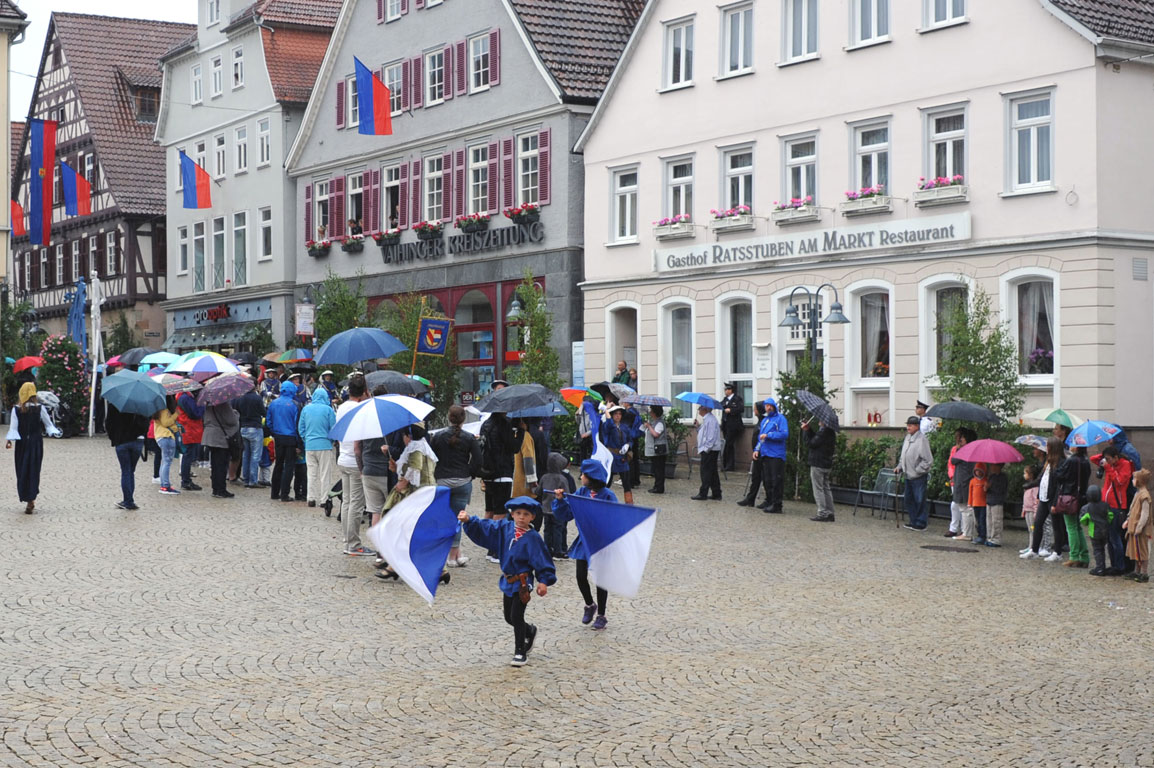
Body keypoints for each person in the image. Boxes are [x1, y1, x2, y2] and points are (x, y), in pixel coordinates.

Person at [459, 496, 556, 667]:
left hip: (523, 582)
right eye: (518, 513)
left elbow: (542, 559)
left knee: (517, 616)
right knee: (508, 617)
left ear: (532, 517)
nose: (521, 517)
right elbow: (486, 527)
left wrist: (544, 581)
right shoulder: (504, 528)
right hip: (508, 580)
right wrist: (469, 520)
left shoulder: (533, 538)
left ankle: (520, 651)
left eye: (526, 514)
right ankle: (529, 630)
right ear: (512, 514)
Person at [552, 459, 616, 630]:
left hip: (601, 543)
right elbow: (567, 514)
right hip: (584, 541)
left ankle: (602, 615)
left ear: (591, 477)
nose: (580, 477)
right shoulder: (581, 492)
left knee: (600, 580)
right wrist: (560, 500)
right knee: (581, 575)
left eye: (583, 474)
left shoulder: (608, 496)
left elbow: (615, 517)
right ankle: (589, 605)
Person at [430, 404, 481, 567]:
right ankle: (453, 557)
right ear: (464, 419)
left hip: (442, 480)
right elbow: (478, 460)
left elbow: (432, 456)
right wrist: (470, 474)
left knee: (444, 518)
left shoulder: (437, 436)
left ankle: (449, 554)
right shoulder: (469, 437)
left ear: (448, 418)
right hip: (462, 480)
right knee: (457, 519)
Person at [5, 382, 62, 512]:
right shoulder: (39, 408)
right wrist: (53, 432)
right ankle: (31, 498)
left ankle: (27, 496)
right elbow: (48, 424)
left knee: (22, 469)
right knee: (34, 469)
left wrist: (9, 441)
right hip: (36, 443)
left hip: (22, 443)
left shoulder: (16, 410)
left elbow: (13, 428)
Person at [479, 410, 517, 563]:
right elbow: (513, 447)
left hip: (488, 473)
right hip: (502, 472)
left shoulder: (486, 424)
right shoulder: (505, 424)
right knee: (500, 512)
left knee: (489, 510)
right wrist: (520, 432)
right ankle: (495, 549)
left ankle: (488, 546)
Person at [1022, 437, 1067, 560]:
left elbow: (1059, 484)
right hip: (1043, 497)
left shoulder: (1061, 462)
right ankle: (1034, 550)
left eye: (1048, 446)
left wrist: (1055, 502)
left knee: (1056, 525)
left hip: (1052, 498)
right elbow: (1041, 480)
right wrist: (1030, 487)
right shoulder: (1048, 462)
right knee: (1038, 523)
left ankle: (1057, 552)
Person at [1092, 446, 1133, 575]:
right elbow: (1093, 458)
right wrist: (1104, 458)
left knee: (1115, 537)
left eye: (1109, 459)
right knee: (1109, 537)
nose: (1107, 462)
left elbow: (1120, 481)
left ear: (1116, 457)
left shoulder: (1125, 465)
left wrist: (1109, 467)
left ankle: (1120, 566)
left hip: (1117, 505)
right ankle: (1114, 564)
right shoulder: (1111, 464)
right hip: (1107, 504)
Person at [298, 386, 336, 508]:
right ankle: (324, 500)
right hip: (324, 445)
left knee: (311, 473)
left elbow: (301, 428)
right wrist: (331, 440)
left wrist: (306, 439)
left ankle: (311, 498)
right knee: (325, 474)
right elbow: (333, 428)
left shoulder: (306, 409)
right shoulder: (328, 410)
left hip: (309, 446)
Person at [106, 403, 148, 510]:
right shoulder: (141, 404)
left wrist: (114, 438)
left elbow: (109, 424)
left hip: (121, 441)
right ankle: (129, 500)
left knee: (126, 471)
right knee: (130, 471)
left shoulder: (115, 405)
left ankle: (128, 500)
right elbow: (146, 423)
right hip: (137, 441)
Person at [1056, 446, 1092, 568]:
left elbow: (1059, 475)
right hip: (1081, 497)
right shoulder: (1086, 461)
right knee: (1078, 528)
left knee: (1071, 527)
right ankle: (1084, 557)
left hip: (1070, 497)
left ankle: (1074, 556)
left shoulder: (1071, 460)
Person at [267, 380, 301, 503]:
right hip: (291, 438)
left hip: (278, 437)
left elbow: (269, 421)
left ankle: (274, 492)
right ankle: (284, 493)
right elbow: (297, 425)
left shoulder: (273, 403)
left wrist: (275, 432)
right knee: (289, 466)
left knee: (278, 464)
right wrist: (299, 443)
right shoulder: (295, 404)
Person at [898, 415, 933, 531]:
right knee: (909, 499)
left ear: (917, 426)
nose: (908, 427)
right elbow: (903, 455)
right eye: (907, 425)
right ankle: (913, 521)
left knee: (919, 499)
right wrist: (900, 467)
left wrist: (918, 470)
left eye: (911, 425)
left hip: (918, 476)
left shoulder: (922, 440)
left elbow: (928, 460)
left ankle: (921, 523)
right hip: (908, 475)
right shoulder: (907, 438)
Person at [754, 398, 788, 513]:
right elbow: (760, 437)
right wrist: (756, 449)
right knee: (767, 479)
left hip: (776, 454)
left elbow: (784, 434)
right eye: (766, 406)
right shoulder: (765, 421)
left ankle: (777, 504)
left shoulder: (780, 419)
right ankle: (769, 500)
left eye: (770, 406)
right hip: (765, 453)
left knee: (776, 480)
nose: (768, 408)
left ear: (774, 406)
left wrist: (769, 435)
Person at [538, 452, 575, 558]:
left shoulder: (544, 477)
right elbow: (567, 493)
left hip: (545, 508)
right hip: (557, 509)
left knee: (547, 529)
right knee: (558, 529)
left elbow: (538, 491)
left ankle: (547, 548)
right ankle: (558, 550)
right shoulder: (562, 478)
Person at [202, 400, 240, 498]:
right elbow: (231, 420)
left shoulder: (207, 403)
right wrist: (236, 413)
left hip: (210, 436)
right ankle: (221, 489)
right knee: (221, 464)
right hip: (220, 437)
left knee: (215, 464)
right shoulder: (223, 403)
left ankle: (215, 489)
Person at [804, 418, 837, 522]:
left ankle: (822, 512)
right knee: (826, 488)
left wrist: (805, 431)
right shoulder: (830, 432)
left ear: (824, 422)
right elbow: (815, 439)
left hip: (818, 463)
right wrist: (809, 430)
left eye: (821, 419)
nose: (819, 420)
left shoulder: (823, 432)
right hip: (826, 464)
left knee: (818, 489)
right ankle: (830, 512)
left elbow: (811, 443)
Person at [600, 405, 634, 504]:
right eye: (615, 414)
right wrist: (606, 410)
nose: (618, 416)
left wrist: (628, 445)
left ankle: (629, 504)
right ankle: (602, 501)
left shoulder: (625, 427)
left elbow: (630, 439)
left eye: (619, 414)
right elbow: (609, 424)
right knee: (608, 480)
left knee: (626, 481)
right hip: (611, 456)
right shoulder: (607, 425)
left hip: (622, 457)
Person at [233, 386, 265, 488]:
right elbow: (263, 412)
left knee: (245, 455)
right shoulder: (257, 398)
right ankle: (253, 480)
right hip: (255, 427)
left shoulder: (239, 398)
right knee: (255, 456)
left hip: (243, 427)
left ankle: (246, 479)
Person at [1123, 469, 1152, 583]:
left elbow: (1145, 514)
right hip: (1134, 527)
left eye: (1134, 479)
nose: (1132, 481)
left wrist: (1139, 528)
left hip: (1142, 530)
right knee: (1136, 550)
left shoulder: (1144, 495)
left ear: (1139, 481)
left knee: (1143, 551)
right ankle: (1137, 571)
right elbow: (1132, 509)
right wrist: (1128, 520)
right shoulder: (1138, 493)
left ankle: (1144, 573)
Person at [690, 402, 722, 501]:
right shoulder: (707, 419)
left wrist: (706, 449)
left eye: (700, 408)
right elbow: (704, 434)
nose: (698, 409)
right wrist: (698, 426)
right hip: (709, 449)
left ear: (705, 409)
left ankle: (703, 493)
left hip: (709, 450)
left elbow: (710, 437)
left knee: (706, 472)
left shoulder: (710, 420)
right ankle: (716, 493)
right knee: (712, 472)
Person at [176, 391, 204, 492]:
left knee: (187, 455)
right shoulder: (186, 398)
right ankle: (186, 481)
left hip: (189, 429)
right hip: (190, 429)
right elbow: (195, 413)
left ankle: (186, 480)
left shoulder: (183, 397)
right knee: (188, 456)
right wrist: (202, 405)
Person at [152, 397, 181, 495]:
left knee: (165, 461)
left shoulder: (157, 409)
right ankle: (165, 485)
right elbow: (166, 422)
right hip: (166, 436)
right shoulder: (164, 410)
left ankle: (164, 484)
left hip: (161, 436)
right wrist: (175, 414)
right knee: (167, 462)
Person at [1081, 485, 1112, 576]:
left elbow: (1083, 520)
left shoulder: (1087, 507)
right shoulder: (1105, 505)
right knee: (1103, 549)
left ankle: (1100, 568)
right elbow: (1110, 516)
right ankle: (1103, 566)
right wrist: (1107, 522)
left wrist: (1087, 523)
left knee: (1097, 550)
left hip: (1094, 532)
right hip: (1105, 530)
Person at [642, 405, 668, 494]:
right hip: (655, 449)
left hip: (659, 450)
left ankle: (659, 488)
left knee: (659, 469)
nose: (650, 412)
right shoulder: (654, 422)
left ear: (655, 413)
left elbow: (656, 434)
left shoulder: (660, 423)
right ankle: (656, 486)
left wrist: (649, 426)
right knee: (656, 469)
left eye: (651, 411)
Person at [719, 383, 745, 473]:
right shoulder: (725, 399)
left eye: (727, 389)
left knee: (729, 444)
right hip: (726, 425)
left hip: (734, 426)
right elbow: (721, 405)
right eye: (725, 389)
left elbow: (741, 409)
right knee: (727, 444)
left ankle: (730, 465)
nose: (725, 391)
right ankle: (725, 464)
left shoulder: (737, 399)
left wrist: (731, 410)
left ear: (731, 390)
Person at [984, 463, 1007, 547]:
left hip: (997, 501)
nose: (991, 467)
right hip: (989, 500)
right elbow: (986, 489)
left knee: (996, 521)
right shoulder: (991, 476)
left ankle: (996, 539)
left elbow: (1001, 489)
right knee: (989, 521)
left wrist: (990, 487)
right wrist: (986, 487)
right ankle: (989, 537)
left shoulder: (1003, 477)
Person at [969, 462, 988, 545]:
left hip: (983, 504)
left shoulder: (985, 481)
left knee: (982, 520)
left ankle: (982, 536)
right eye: (977, 471)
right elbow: (970, 493)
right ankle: (979, 534)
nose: (978, 473)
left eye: (980, 471)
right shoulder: (972, 481)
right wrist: (969, 503)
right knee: (977, 521)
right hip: (975, 504)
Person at [577, 395, 600, 459]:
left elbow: (594, 426)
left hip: (590, 435)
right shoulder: (582, 412)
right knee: (582, 452)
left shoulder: (592, 412)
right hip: (582, 435)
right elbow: (578, 422)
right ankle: (583, 465)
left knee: (590, 452)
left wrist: (587, 434)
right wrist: (577, 414)